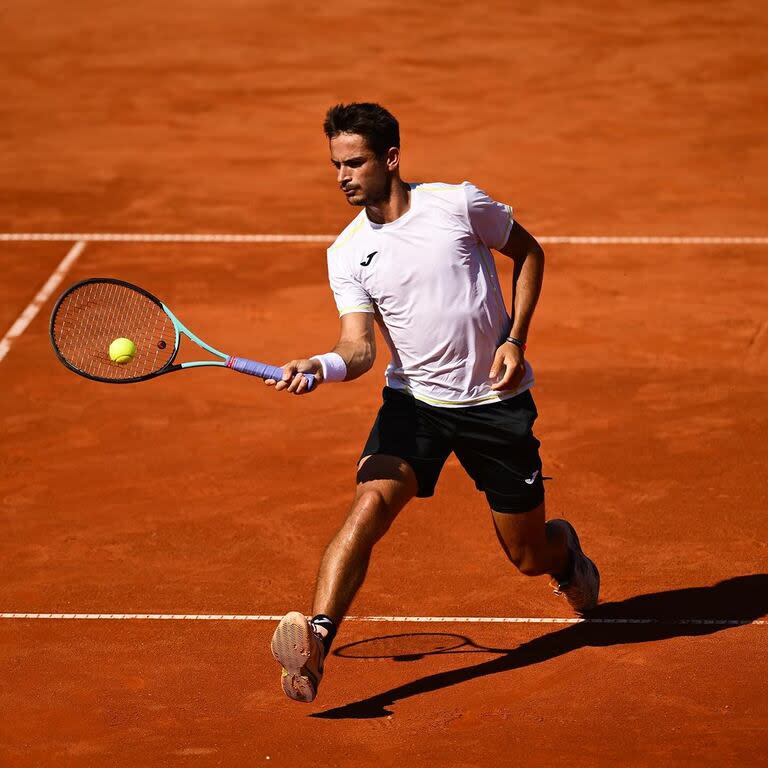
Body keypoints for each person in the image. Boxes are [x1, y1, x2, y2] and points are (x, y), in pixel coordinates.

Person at [265, 102, 599, 703]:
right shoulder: (347, 253)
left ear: (391, 158)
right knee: (368, 506)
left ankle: (565, 554)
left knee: (526, 554)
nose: (342, 175)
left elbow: (529, 254)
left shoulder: (457, 205)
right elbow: (358, 348)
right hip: (413, 404)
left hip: (494, 404)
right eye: (335, 165)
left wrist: (515, 339)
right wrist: (319, 366)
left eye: (355, 162)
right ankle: (314, 645)